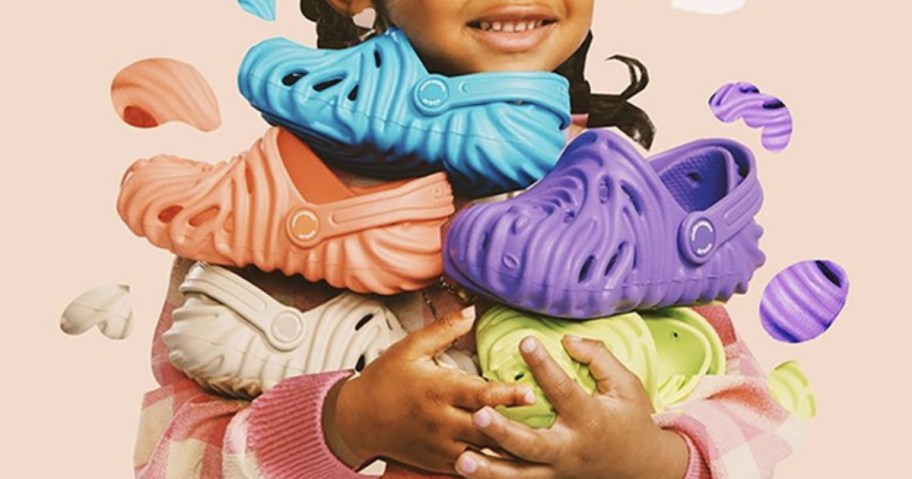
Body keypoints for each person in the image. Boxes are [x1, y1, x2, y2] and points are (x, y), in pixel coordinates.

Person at [132, 1, 801, 478]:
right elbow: (172, 456)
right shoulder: (261, 205)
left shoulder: (629, 206)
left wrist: (650, 461)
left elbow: (757, 425)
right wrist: (344, 423)